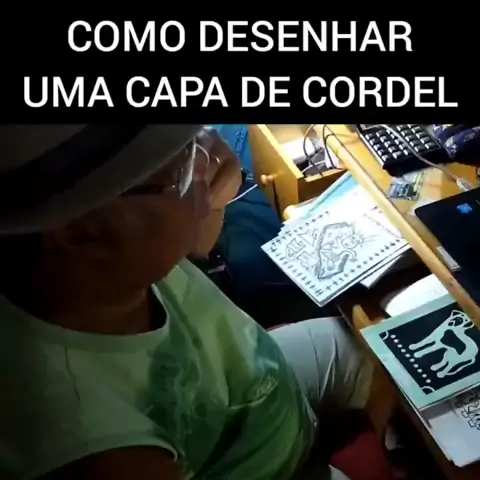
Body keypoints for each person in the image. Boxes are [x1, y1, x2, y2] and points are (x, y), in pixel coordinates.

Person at [0, 125, 373, 480]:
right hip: (280, 467)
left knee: (375, 344)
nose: (202, 168)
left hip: (255, 381)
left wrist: (213, 185)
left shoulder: (105, 267)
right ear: (80, 231)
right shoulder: (100, 449)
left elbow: (198, 243)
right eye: (180, 172)